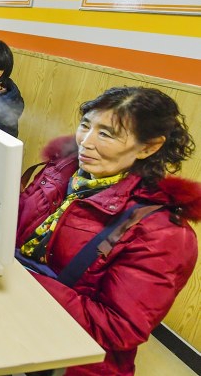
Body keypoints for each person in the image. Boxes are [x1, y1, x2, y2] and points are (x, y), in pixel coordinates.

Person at [16, 87, 200, 376]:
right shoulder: (61, 173)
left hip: (69, 359)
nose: (85, 142)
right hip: (21, 316)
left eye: (106, 134)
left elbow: (117, 327)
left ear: (149, 147)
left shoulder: (162, 232)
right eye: (85, 125)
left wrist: (19, 279)